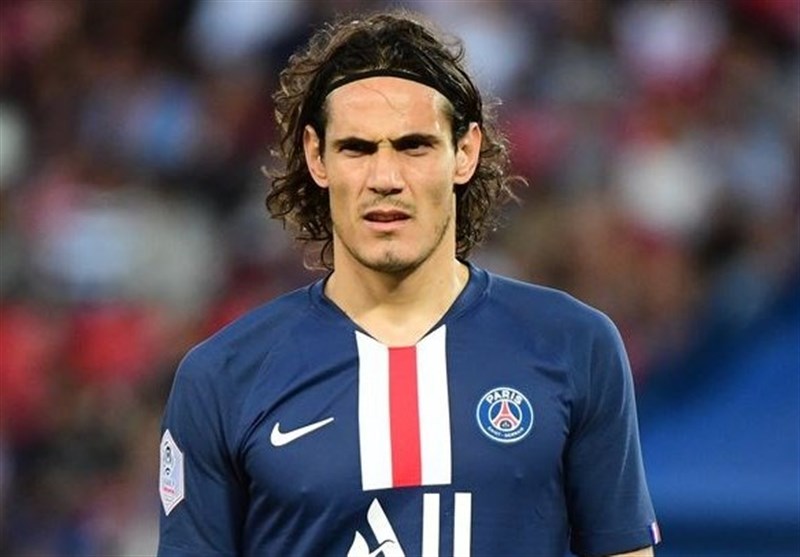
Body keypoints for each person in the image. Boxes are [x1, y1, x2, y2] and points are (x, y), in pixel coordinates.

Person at [157, 9, 660, 557]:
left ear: (464, 152)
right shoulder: (224, 376)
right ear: (316, 156)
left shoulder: (574, 344)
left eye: (413, 145)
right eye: (357, 148)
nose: (386, 178)